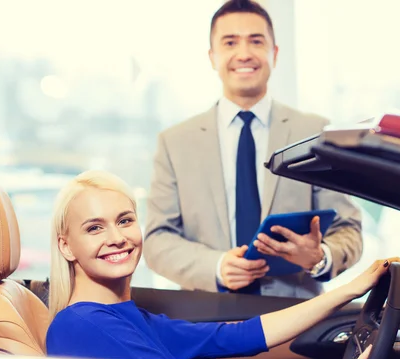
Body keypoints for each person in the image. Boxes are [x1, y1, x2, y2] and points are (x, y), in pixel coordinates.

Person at [46, 170, 396, 359]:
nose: (117, 238)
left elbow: (241, 335)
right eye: (95, 228)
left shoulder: (124, 317)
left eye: (124, 220)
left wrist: (348, 291)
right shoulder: (84, 324)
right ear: (66, 247)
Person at [144, 0, 363, 298]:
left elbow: (348, 229)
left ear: (274, 53)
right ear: (212, 56)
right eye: (230, 42)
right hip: (207, 315)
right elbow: (157, 240)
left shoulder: (314, 134)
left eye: (256, 41)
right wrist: (216, 265)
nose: (244, 54)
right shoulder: (175, 142)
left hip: (295, 314)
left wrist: (320, 256)